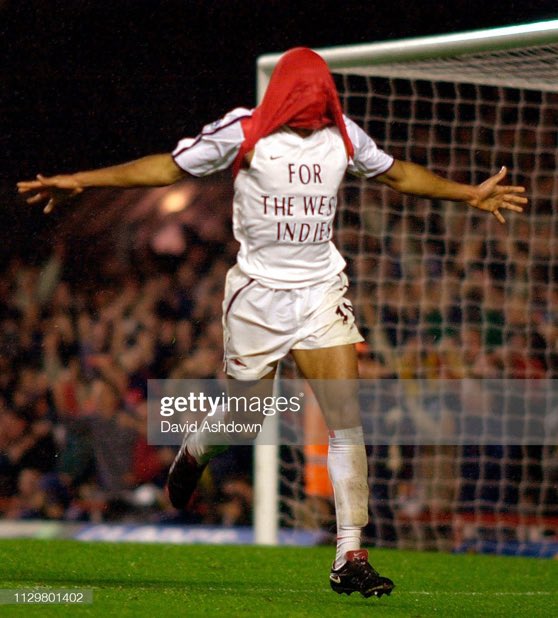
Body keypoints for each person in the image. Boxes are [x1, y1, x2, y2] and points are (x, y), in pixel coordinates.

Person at [18, 47, 526, 600]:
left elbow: (398, 174)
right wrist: (81, 181)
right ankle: (196, 448)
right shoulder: (244, 132)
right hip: (258, 297)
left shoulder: (343, 136)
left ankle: (350, 553)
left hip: (319, 292)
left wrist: (468, 192)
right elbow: (166, 166)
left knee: (346, 421)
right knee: (247, 416)